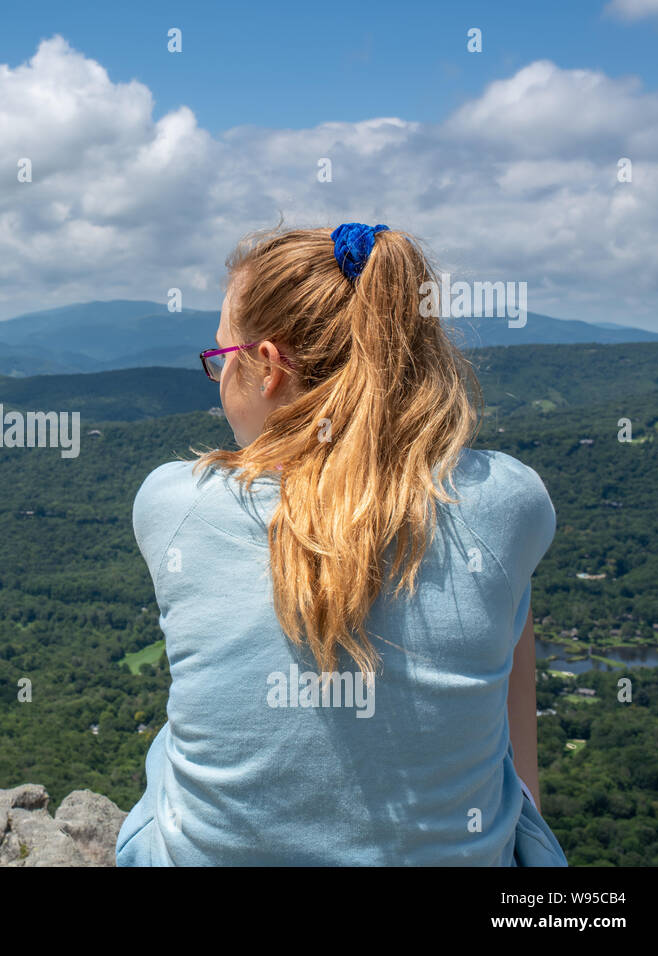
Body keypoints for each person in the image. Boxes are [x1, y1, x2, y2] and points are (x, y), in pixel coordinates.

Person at [115, 222, 568, 866]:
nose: (217, 379)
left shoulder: (173, 504)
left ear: (269, 367)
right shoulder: (507, 501)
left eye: (221, 359)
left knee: (167, 751)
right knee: (505, 595)